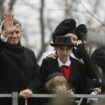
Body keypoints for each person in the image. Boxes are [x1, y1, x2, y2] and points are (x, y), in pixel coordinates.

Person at [0, 12, 41, 105]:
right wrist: (4, 36)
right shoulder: (1, 51)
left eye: (17, 32)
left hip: (27, 102)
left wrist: (30, 89)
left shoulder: (30, 53)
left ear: (21, 33)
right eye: (11, 32)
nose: (14, 35)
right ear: (4, 32)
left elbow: (37, 76)